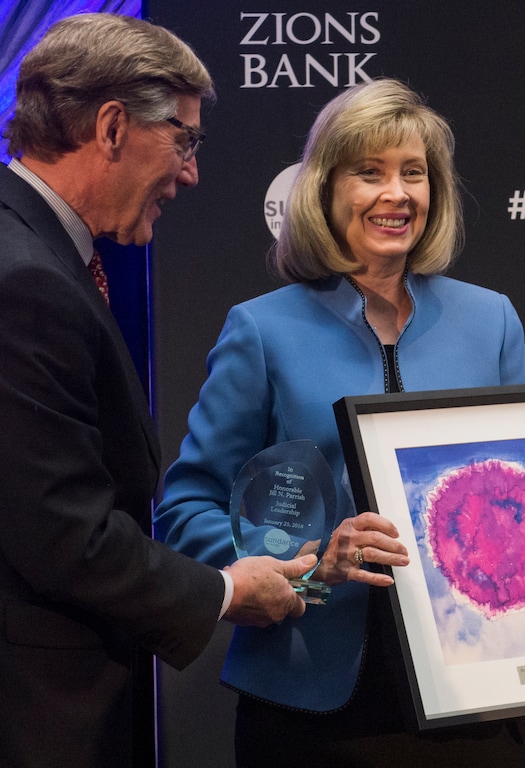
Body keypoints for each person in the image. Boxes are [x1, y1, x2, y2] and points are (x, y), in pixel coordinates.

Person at [154, 78, 525, 766]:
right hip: (314, 708)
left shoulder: (492, 321)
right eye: (370, 173)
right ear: (325, 190)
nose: (396, 194)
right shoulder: (261, 330)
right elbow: (187, 508)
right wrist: (308, 565)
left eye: (414, 174)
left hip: (478, 703)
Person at [0, 13, 317, 768]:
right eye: (184, 138)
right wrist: (226, 590)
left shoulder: (41, 255)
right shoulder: (26, 283)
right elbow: (65, 537)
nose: (192, 172)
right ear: (111, 128)